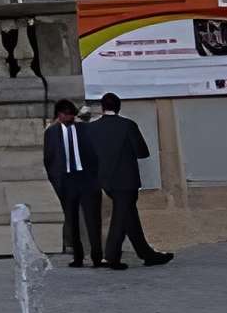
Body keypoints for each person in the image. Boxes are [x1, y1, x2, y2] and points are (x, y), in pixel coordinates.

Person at [85, 93, 171, 268]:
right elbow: (142, 152)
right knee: (121, 215)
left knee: (128, 215)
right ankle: (111, 256)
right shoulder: (127, 125)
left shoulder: (91, 128)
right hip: (126, 179)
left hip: (105, 180)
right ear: (118, 107)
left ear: (102, 108)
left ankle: (147, 254)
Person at [39, 98, 101, 266]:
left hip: (86, 178)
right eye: (66, 114)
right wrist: (57, 182)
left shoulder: (84, 129)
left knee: (92, 218)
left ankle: (96, 255)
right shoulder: (51, 133)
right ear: (59, 115)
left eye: (72, 114)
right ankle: (78, 256)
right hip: (67, 180)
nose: (70, 117)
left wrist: (95, 178)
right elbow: (49, 159)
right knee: (71, 219)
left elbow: (95, 154)